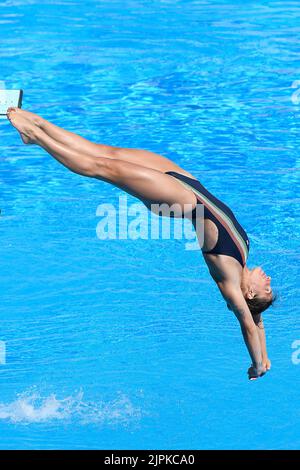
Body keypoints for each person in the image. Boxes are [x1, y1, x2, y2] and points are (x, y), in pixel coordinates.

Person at [6, 107, 276, 380]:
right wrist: (265, 359)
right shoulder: (243, 257)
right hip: (187, 182)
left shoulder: (229, 281)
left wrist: (255, 365)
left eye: (266, 289)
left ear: (250, 294)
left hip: (180, 200)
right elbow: (258, 321)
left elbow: (249, 324)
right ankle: (39, 125)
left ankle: (38, 138)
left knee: (102, 168)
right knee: (106, 152)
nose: (269, 281)